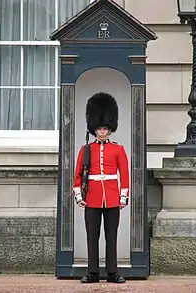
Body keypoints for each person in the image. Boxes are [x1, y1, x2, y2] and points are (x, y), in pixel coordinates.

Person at [72, 92, 129, 284]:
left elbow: (125, 174)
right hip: (92, 198)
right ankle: (93, 272)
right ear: (94, 129)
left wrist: (123, 197)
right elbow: (77, 174)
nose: (102, 132)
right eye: (99, 128)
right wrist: (79, 195)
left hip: (112, 197)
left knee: (111, 236)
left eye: (105, 128)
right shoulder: (86, 149)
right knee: (92, 237)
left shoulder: (118, 149)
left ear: (110, 128)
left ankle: (112, 272)